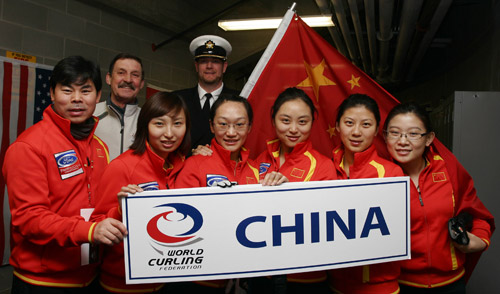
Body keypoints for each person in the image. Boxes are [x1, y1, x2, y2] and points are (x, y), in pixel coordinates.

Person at [2, 56, 127, 292]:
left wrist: (121, 209)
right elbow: (29, 218)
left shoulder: (99, 147)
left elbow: (98, 206)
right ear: (52, 93)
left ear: (98, 95)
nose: (77, 99)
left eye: (86, 90)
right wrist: (89, 231)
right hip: (43, 281)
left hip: (90, 275)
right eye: (67, 90)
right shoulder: (29, 146)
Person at [175, 94, 287, 293]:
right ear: (211, 126)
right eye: (223, 124)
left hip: (249, 279)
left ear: (250, 127)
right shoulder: (194, 165)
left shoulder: (259, 171)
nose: (231, 132)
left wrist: (282, 190)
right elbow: (181, 225)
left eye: (239, 125)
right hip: (202, 279)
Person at [383, 103, 494, 293]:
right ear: (385, 136)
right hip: (401, 285)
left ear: (429, 139)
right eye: (394, 133)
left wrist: (478, 241)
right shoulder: (378, 177)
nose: (402, 141)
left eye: (413, 134)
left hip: (451, 284)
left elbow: (478, 216)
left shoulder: (448, 168)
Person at [90, 92, 191, 293]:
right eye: (159, 124)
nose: (170, 133)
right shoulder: (123, 166)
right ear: (145, 125)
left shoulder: (182, 166)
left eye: (177, 124)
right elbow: (97, 223)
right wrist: (121, 211)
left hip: (165, 278)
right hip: (122, 283)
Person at [254, 87, 336, 293]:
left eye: (302, 121)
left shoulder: (323, 166)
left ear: (312, 123)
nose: (293, 129)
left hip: (305, 276)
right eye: (285, 120)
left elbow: (326, 224)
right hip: (260, 272)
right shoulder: (259, 160)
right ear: (273, 121)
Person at [329, 94, 404, 294]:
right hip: (335, 286)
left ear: (377, 129)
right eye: (349, 123)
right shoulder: (325, 171)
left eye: (366, 124)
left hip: (381, 288)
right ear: (337, 126)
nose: (356, 132)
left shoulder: (390, 173)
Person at [173, 35, 239, 152]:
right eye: (203, 61)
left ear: (224, 67)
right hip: (185, 167)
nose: (209, 66)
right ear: (196, 66)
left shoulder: (239, 101)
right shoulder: (177, 99)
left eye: (215, 61)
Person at [94, 53, 145, 160]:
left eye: (135, 75)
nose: (128, 79)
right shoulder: (91, 115)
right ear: (109, 78)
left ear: (141, 83)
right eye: (121, 73)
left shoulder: (148, 120)